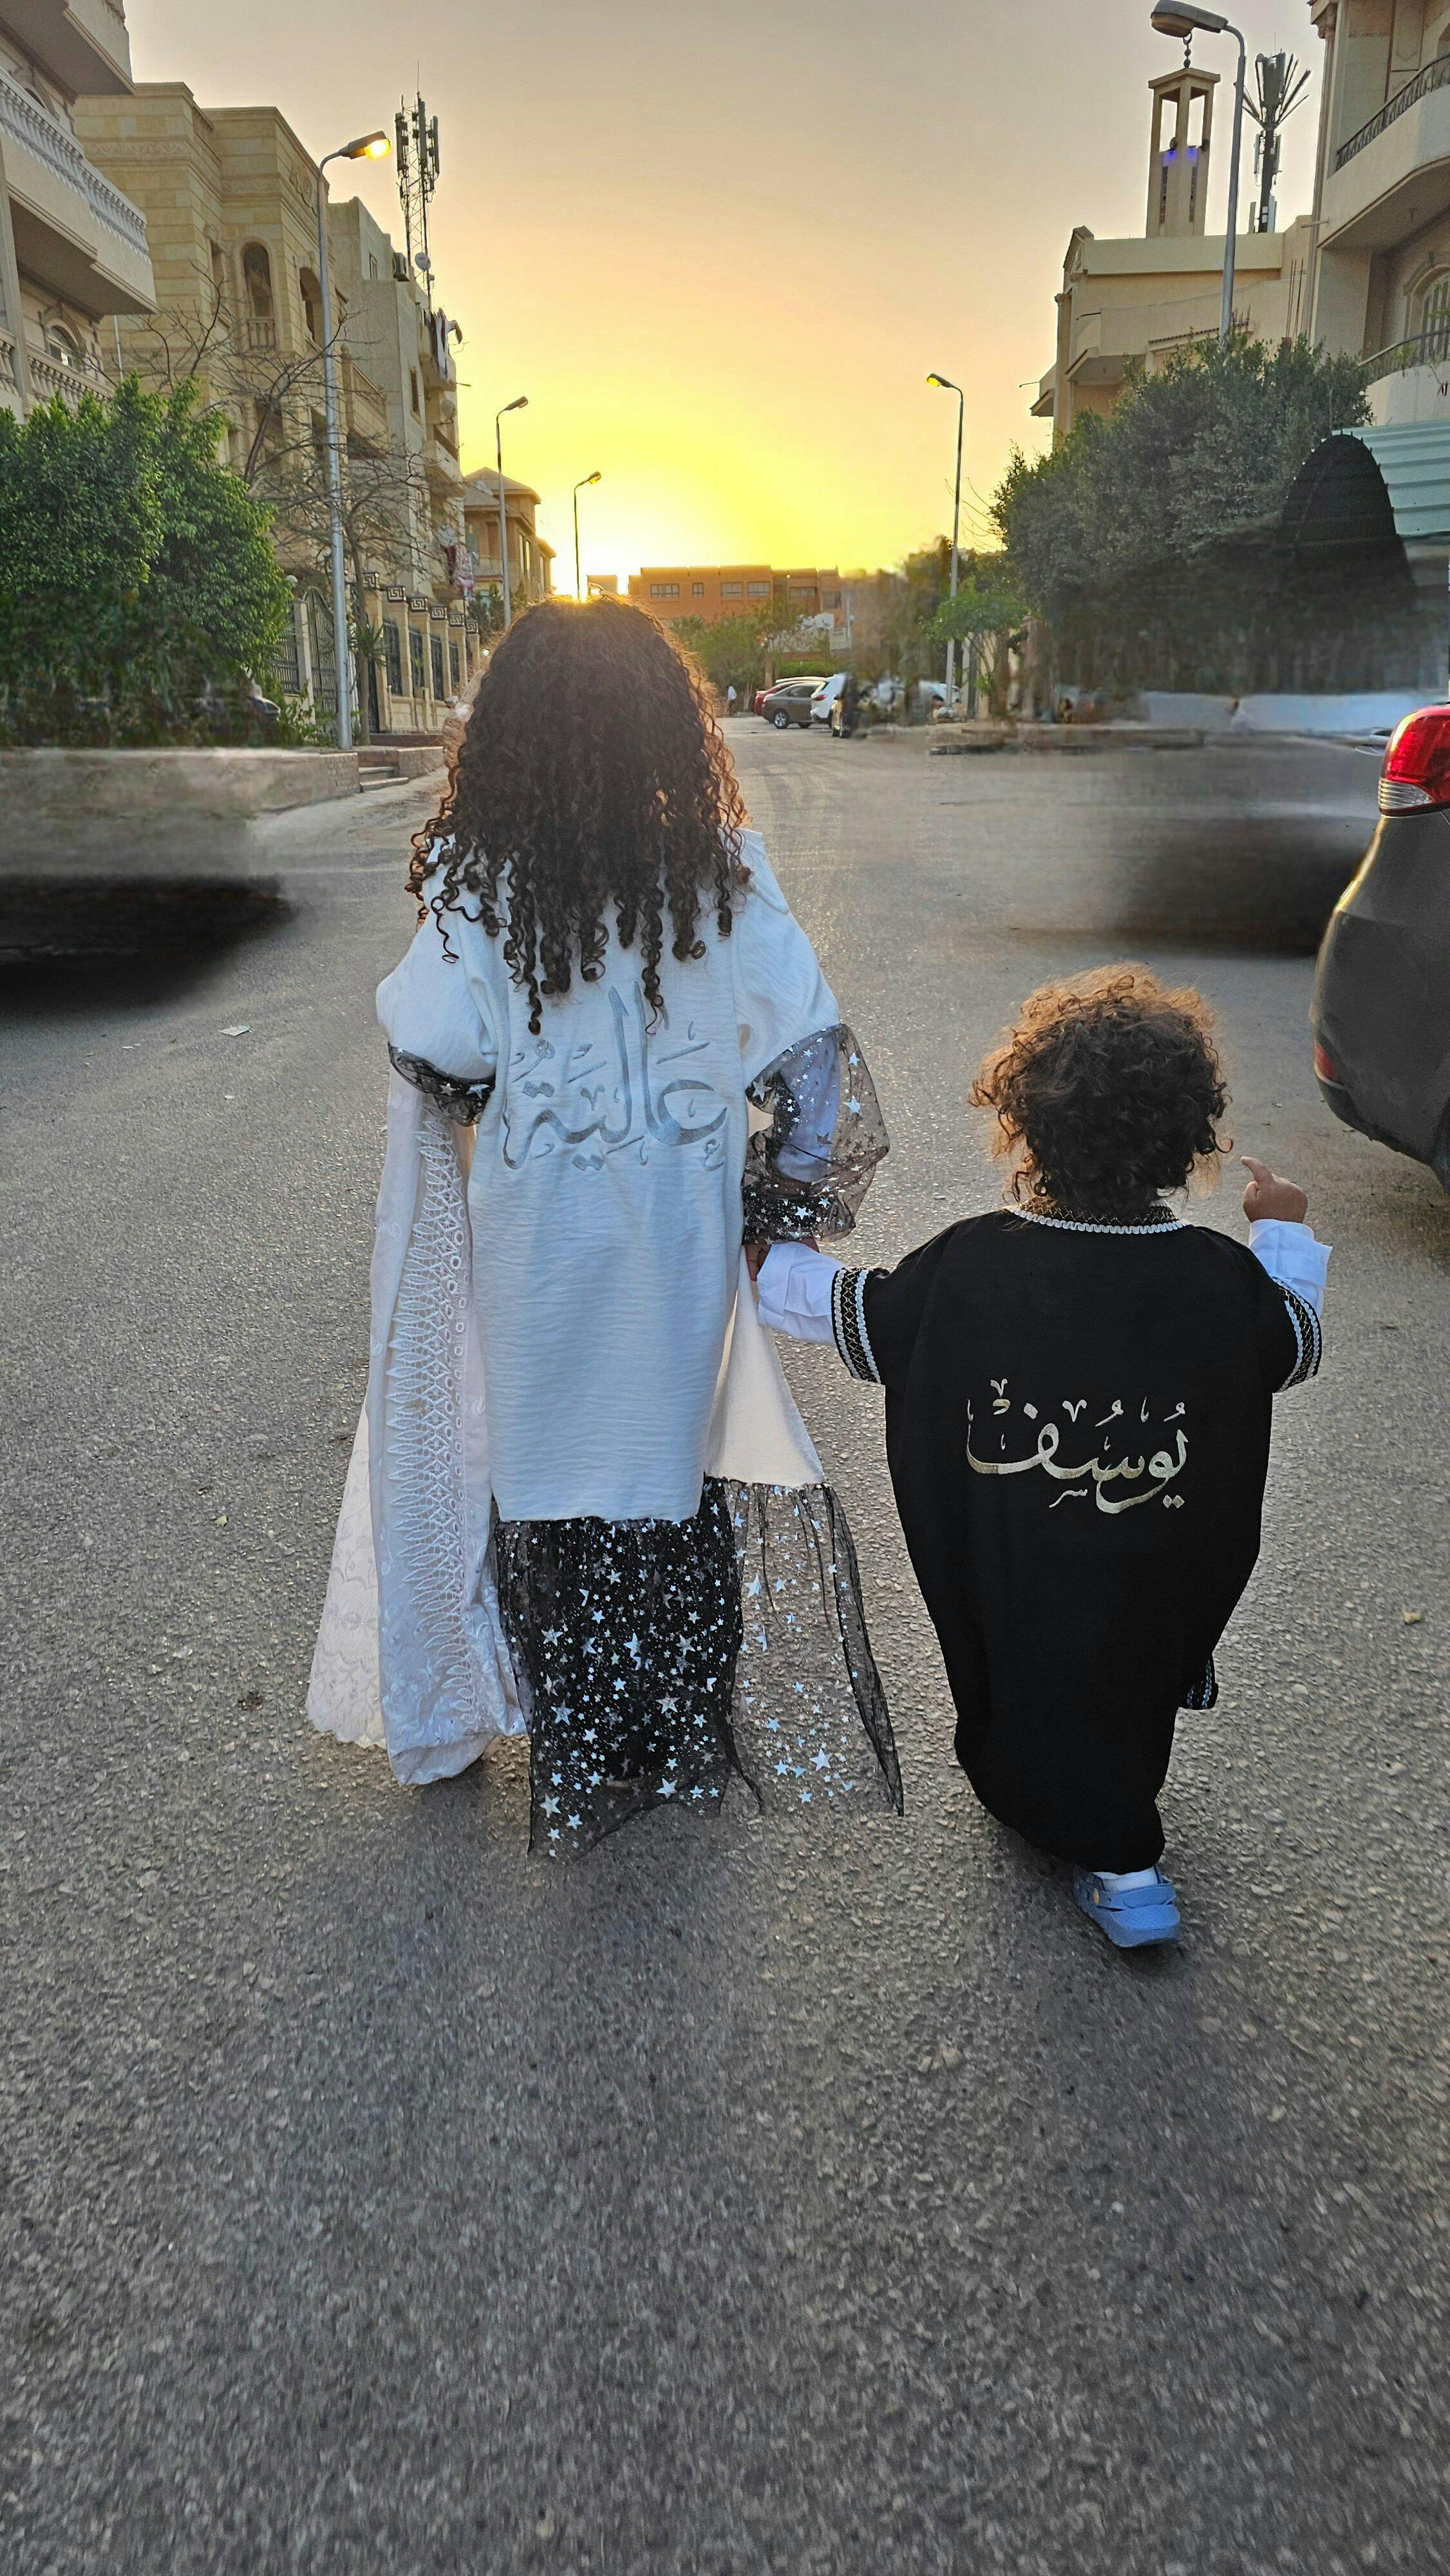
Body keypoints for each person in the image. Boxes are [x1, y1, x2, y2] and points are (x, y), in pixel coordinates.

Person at [308, 596, 899, 1854]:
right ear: (666, 726)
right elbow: (820, 1077)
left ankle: (583, 1736)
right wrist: (773, 1213)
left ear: (508, 733)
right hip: (678, 1264)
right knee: (671, 1477)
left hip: (541, 1267)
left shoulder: (478, 885)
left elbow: (434, 1043)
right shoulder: (725, 875)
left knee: (556, 1493)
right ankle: (670, 1733)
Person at [756, 966, 1329, 1950]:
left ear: (1024, 1124)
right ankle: (1116, 1846)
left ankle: (1125, 1862)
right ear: (1188, 1136)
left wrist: (767, 1249)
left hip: (1020, 1573)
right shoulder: (1219, 1282)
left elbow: (846, 1311)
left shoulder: (973, 1267)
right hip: (1154, 1568)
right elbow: (1295, 1341)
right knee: (1120, 1691)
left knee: (1030, 1691)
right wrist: (1282, 1226)